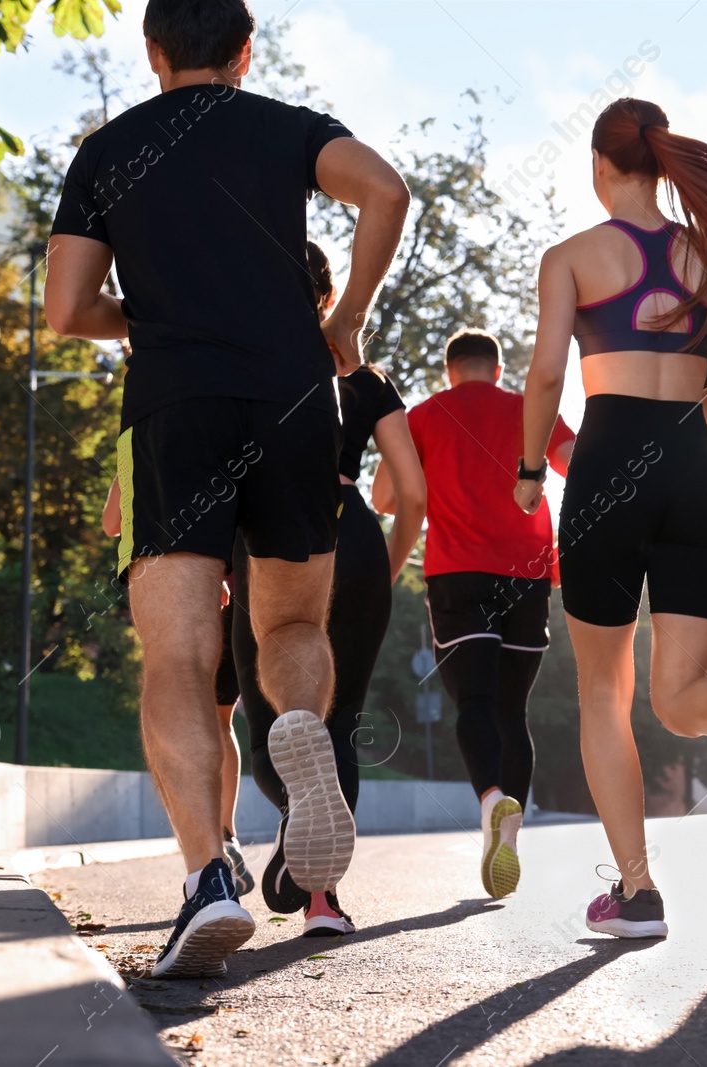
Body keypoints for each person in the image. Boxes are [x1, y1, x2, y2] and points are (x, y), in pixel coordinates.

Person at [44, 0, 409, 978]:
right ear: (246, 52)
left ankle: (209, 875)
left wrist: (147, 315)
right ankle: (300, 729)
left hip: (174, 405)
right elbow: (384, 190)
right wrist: (347, 322)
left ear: (152, 52)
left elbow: (65, 306)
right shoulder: (283, 126)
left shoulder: (108, 150)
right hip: (293, 400)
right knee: (289, 628)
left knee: (178, 648)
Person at [517, 97, 707, 939]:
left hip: (607, 470)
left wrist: (532, 472)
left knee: (605, 692)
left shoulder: (572, 256)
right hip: (696, 469)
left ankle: (637, 894)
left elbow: (542, 378)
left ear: (602, 168)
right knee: (682, 697)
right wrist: (679, 449)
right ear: (662, 162)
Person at [230, 242, 427, 936]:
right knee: (336, 721)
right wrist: (387, 565)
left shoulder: (248, 365)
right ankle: (323, 899)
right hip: (357, 538)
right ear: (329, 296)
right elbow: (413, 491)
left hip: (270, 541)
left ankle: (294, 821)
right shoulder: (368, 381)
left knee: (270, 719)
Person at [389, 328, 575, 899]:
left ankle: (491, 799)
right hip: (528, 575)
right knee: (511, 712)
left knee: (473, 702)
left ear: (451, 371)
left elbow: (383, 498)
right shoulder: (531, 411)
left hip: (457, 575)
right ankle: (510, 841)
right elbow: (583, 470)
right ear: (497, 370)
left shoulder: (421, 416)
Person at [102, 483, 254, 897]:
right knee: (222, 717)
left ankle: (207, 859)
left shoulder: (144, 433)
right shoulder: (236, 426)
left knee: (179, 694)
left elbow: (112, 523)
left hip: (182, 584)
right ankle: (228, 833)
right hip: (244, 584)